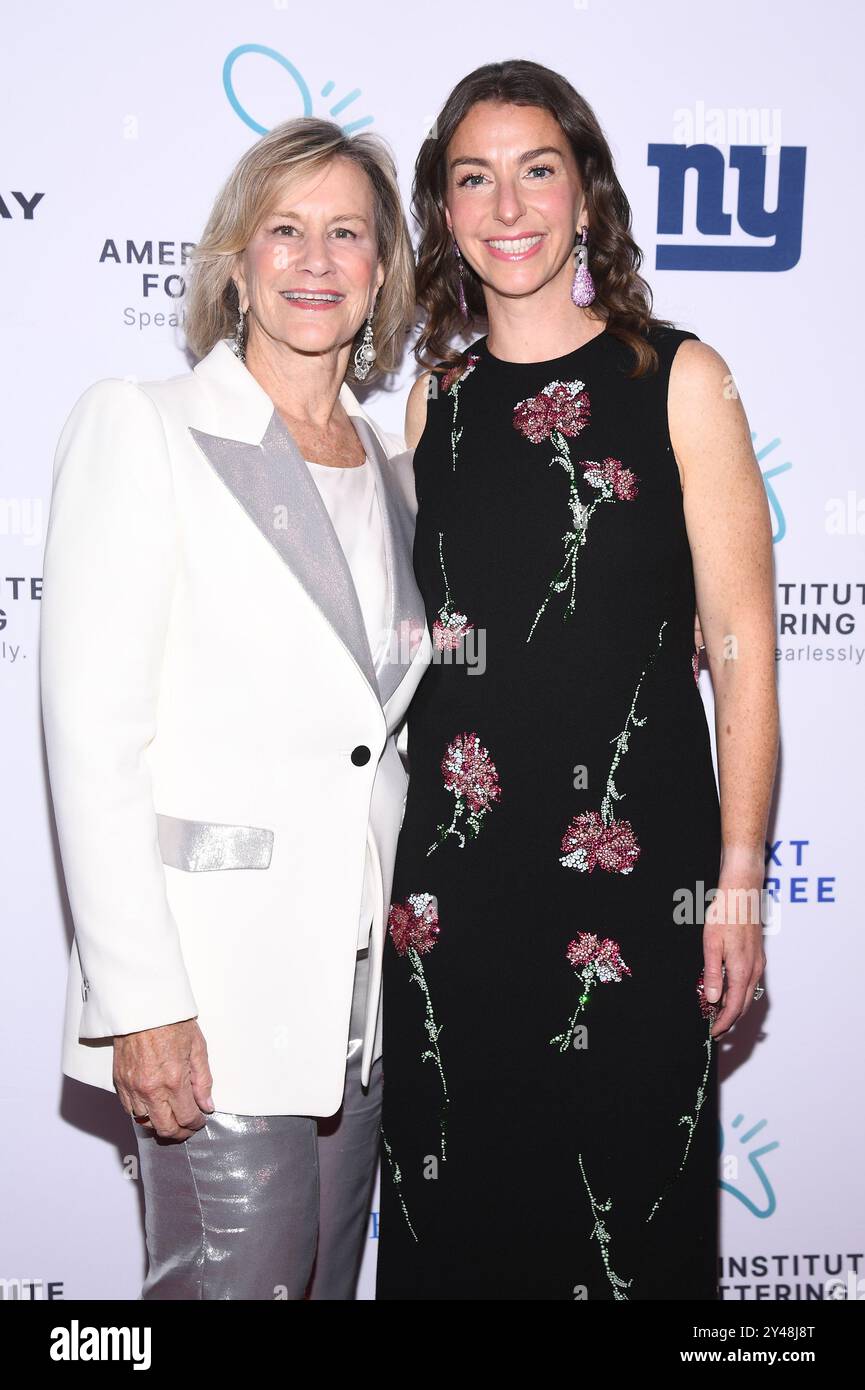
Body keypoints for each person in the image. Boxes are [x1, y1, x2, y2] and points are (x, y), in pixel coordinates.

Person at [376, 61, 777, 1301]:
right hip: (454, 899)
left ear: (586, 196)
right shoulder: (426, 406)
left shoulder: (679, 381)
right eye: (472, 178)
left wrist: (739, 885)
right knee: (462, 1223)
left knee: (625, 1227)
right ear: (443, 213)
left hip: (631, 889)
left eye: (536, 169)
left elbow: (744, 656)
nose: (507, 205)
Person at [40, 116, 431, 1300]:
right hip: (214, 995)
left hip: (354, 1007)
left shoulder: (397, 471)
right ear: (236, 263)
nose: (315, 259)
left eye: (346, 233)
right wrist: (141, 1005)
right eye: (285, 230)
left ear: (380, 275)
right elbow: (93, 736)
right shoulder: (146, 426)